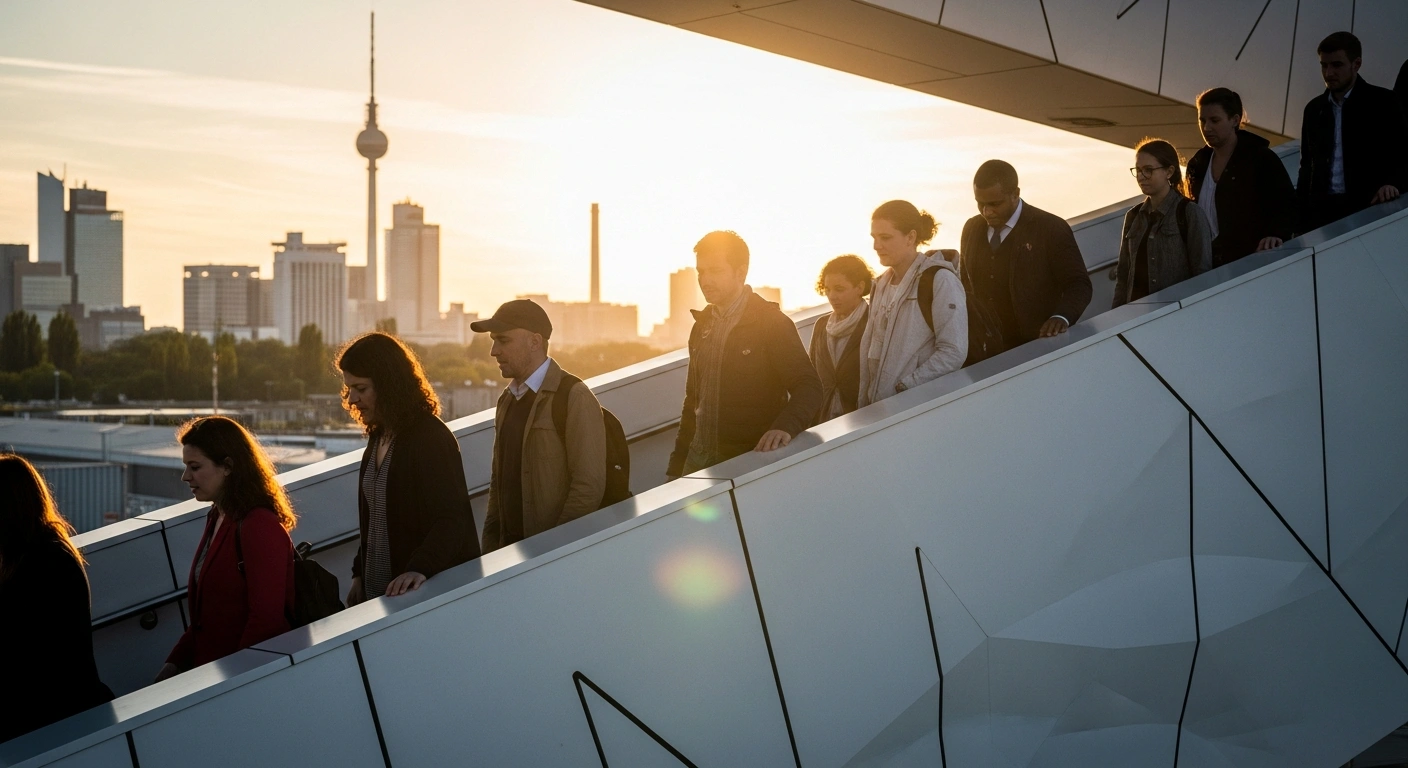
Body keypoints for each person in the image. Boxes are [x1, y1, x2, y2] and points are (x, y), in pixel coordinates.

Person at [337, 333, 479, 605]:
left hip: (417, 599)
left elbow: (451, 519)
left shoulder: (430, 438)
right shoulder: (380, 436)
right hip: (379, 596)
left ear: (389, 384)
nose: (352, 399)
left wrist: (419, 568)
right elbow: (375, 515)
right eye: (348, 389)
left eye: (361, 388)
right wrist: (359, 575)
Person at [667, 231, 823, 477]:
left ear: (740, 272)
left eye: (715, 271)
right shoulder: (702, 325)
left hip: (747, 463)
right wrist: (676, 468)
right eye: (701, 272)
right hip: (697, 465)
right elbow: (693, 401)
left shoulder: (771, 323)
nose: (705, 280)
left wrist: (784, 428)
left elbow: (809, 386)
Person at [157, 417, 296, 682]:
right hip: (214, 675)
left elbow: (265, 620)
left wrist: (233, 682)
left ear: (228, 466)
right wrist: (174, 663)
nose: (186, 476)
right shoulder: (218, 517)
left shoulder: (258, 525)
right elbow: (205, 619)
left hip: (238, 683)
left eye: (195, 467)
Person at [472, 300, 607, 553]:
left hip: (550, 563)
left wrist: (553, 553)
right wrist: (490, 552)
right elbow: (498, 482)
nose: (493, 351)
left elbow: (588, 487)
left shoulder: (573, 397)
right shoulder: (507, 399)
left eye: (503, 341)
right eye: (493, 341)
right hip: (508, 561)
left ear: (535, 342)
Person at [0, 454, 113, 743]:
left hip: (48, 715)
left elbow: (25, 645)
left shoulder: (44, 562)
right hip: (56, 709)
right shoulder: (43, 552)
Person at [959, 160, 1092, 360]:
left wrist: (1061, 317)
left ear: (1016, 193)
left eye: (995, 204)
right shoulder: (971, 228)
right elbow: (966, 286)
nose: (987, 211)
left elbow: (1079, 284)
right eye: (981, 203)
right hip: (983, 353)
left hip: (1037, 349)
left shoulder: (1051, 228)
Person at [856, 202, 967, 407]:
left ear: (911, 237)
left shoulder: (940, 280)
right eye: (874, 238)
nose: (876, 246)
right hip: (879, 412)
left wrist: (905, 387)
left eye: (885, 237)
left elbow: (953, 351)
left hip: (918, 412)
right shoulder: (879, 285)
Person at [1296, 31, 1408, 233]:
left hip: (1370, 209)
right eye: (1324, 65)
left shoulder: (1384, 102)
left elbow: (1402, 152)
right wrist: (1302, 216)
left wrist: (1394, 183)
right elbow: (1307, 167)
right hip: (1323, 215)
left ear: (1356, 64)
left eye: (1336, 65)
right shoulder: (1314, 110)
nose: (1328, 73)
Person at [1185, 88, 1297, 266]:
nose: (1206, 128)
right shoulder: (1197, 164)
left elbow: (1286, 202)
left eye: (1215, 120)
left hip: (1250, 262)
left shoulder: (1260, 158)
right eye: (1202, 120)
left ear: (1235, 120)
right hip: (1206, 264)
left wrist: (1276, 233)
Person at [1113, 139, 1214, 307]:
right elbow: (1123, 276)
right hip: (1134, 315)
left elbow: (1202, 273)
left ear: (1169, 172)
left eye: (1148, 170)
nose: (1141, 177)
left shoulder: (1189, 213)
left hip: (1173, 313)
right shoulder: (1133, 216)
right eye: (1138, 170)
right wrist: (1115, 315)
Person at [809, 255, 874, 422]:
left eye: (839, 289)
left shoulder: (873, 322)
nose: (832, 296)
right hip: (824, 421)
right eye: (827, 289)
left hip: (863, 419)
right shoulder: (821, 326)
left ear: (859, 287)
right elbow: (811, 377)